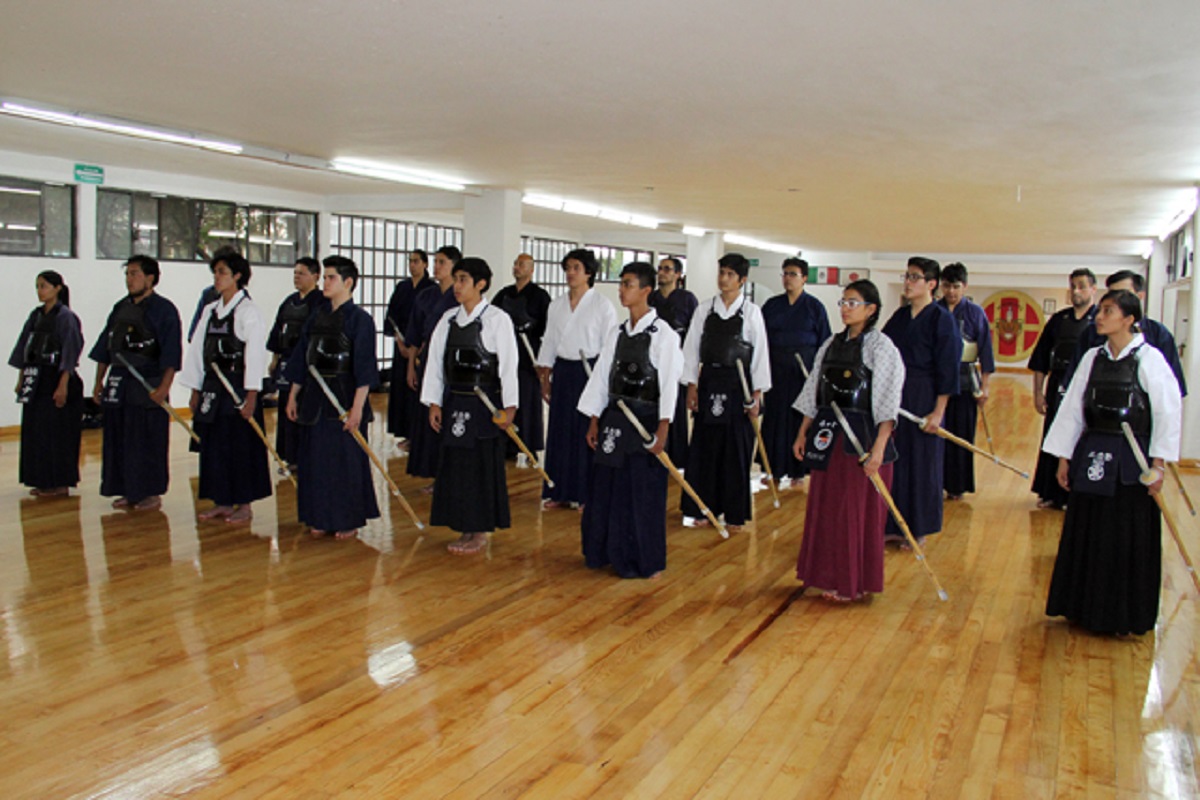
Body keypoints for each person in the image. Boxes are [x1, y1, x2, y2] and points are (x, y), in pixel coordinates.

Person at [1043, 290, 1181, 635]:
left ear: (1129, 319)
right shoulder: (1091, 357)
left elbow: (1167, 413)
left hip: (1132, 457)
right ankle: (1079, 606)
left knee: (1122, 533)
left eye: (1108, 311)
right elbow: (1073, 408)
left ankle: (1120, 614)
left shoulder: (1150, 359)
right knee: (1087, 528)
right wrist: (1064, 457)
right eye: (1100, 310)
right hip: (1092, 452)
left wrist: (1159, 465)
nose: (1099, 317)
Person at [792, 280, 904, 602]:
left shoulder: (882, 348)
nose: (844, 308)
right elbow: (814, 390)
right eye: (843, 302)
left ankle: (850, 582)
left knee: (851, 512)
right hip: (828, 433)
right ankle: (823, 574)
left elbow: (887, 402)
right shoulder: (830, 344)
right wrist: (803, 432)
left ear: (871, 309)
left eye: (852, 302)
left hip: (862, 437)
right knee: (826, 508)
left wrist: (879, 448)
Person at [579, 262, 683, 578]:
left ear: (646, 291)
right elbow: (601, 377)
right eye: (621, 284)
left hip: (645, 421)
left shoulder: (663, 334)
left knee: (641, 493)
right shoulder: (618, 332)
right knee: (606, 490)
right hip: (614, 418)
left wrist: (663, 428)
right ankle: (605, 551)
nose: (622, 290)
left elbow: (668, 383)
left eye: (628, 284)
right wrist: (594, 419)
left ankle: (643, 559)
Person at [421, 257, 520, 555]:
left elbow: (508, 367)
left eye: (463, 279)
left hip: (484, 404)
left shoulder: (497, 319)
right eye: (456, 279)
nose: (457, 286)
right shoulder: (448, 320)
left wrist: (510, 408)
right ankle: (462, 525)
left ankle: (479, 531)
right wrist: (434, 402)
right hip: (455, 402)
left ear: (481, 284)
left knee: (479, 468)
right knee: (456, 468)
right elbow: (436, 364)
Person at [285, 256, 380, 539]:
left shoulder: (360, 320)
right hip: (314, 398)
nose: (324, 283)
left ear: (348, 282)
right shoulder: (316, 315)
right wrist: (293, 396)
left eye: (330, 278)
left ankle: (347, 518)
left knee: (344, 463)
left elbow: (364, 369)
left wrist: (356, 410)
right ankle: (319, 515)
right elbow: (303, 357)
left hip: (344, 398)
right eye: (324, 277)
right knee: (315, 461)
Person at [178, 250, 271, 523]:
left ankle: (244, 504)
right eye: (215, 272)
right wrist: (194, 389)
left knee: (240, 446)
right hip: (212, 386)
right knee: (214, 445)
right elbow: (198, 350)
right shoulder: (210, 310)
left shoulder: (248, 312)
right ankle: (221, 500)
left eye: (222, 272)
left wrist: (252, 395)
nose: (217, 278)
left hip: (237, 385)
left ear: (238, 276)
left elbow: (255, 354)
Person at [680, 252, 771, 530]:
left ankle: (733, 514)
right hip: (709, 381)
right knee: (705, 448)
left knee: (735, 450)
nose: (724, 279)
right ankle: (702, 509)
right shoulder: (704, 310)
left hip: (738, 384)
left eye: (730, 274)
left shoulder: (752, 313)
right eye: (722, 273)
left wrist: (756, 395)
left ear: (742, 280)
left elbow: (760, 356)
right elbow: (691, 349)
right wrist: (691, 386)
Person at [89, 255, 183, 511]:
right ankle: (128, 490)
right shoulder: (120, 308)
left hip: (148, 383)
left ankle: (149, 492)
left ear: (150, 278)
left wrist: (164, 388)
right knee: (119, 438)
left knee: (147, 440)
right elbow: (106, 348)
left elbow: (171, 354)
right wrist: (99, 382)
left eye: (134, 274)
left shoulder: (164, 310)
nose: (129, 279)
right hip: (119, 383)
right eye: (127, 274)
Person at [881, 256, 961, 546]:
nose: (908, 282)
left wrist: (938, 412)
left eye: (915, 277)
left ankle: (918, 526)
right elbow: (884, 352)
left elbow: (948, 369)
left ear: (931, 284)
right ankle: (891, 522)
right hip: (896, 394)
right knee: (895, 459)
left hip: (925, 395)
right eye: (906, 276)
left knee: (922, 463)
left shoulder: (943, 320)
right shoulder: (900, 318)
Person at [536, 248, 618, 509]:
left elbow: (609, 346)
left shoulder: (602, 305)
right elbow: (549, 340)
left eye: (576, 268)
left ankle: (586, 493)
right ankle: (558, 490)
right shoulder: (557, 305)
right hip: (564, 370)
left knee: (585, 431)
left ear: (589, 273)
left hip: (590, 372)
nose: (570, 273)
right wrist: (545, 376)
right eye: (568, 268)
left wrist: (604, 382)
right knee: (560, 430)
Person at [9, 270, 84, 497]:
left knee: (57, 432)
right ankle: (40, 479)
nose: (40, 291)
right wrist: (22, 379)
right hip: (36, 378)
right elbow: (25, 347)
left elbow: (70, 353)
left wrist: (62, 384)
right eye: (38, 286)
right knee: (36, 431)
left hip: (57, 378)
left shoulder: (66, 317)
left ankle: (59, 482)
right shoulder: (36, 316)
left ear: (57, 288)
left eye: (44, 286)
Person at [1027, 268, 1098, 509]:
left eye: (1081, 286)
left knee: (1079, 436)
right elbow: (1041, 359)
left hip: (1086, 387)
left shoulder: (1099, 321)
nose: (1076, 291)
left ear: (1093, 289)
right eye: (1073, 286)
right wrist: (1038, 392)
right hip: (1058, 383)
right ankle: (1050, 491)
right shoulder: (1059, 320)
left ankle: (1073, 493)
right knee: (1053, 434)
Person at [761, 257, 831, 488]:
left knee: (799, 419)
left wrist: (819, 375)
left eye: (792, 274)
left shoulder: (814, 307)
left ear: (804, 278)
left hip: (803, 373)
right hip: (776, 371)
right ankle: (773, 469)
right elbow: (761, 340)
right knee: (774, 418)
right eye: (785, 274)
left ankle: (798, 471)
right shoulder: (772, 305)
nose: (787, 278)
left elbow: (824, 343)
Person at [1068, 269, 1187, 397]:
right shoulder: (1092, 334)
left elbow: (1172, 390)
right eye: (1112, 295)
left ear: (1140, 296)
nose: (1116, 301)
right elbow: (1074, 385)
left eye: (1123, 295)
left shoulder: (1158, 335)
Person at [404, 246, 461, 489]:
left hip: (452, 365)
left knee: (447, 417)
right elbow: (415, 333)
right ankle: (432, 471)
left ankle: (448, 474)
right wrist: (410, 365)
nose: (436, 267)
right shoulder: (426, 296)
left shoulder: (459, 297)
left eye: (442, 262)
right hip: (426, 361)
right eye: (435, 262)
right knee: (428, 417)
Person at [937, 262, 995, 500]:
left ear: (965, 286)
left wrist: (985, 386)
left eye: (956, 286)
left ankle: (957, 486)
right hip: (937, 382)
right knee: (936, 433)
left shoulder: (975, 313)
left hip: (965, 381)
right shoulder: (934, 310)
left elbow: (986, 351)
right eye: (947, 286)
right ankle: (934, 480)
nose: (951, 291)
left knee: (960, 434)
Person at [492, 253, 552, 464]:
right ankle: (506, 444)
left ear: (531, 269)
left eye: (522, 265)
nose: (517, 267)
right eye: (515, 264)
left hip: (528, 356)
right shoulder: (503, 294)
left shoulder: (540, 296)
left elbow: (548, 329)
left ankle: (529, 446)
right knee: (505, 398)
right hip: (505, 353)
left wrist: (543, 362)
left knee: (527, 401)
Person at [267, 257, 324, 468]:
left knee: (301, 410)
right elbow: (278, 330)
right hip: (286, 363)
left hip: (308, 368)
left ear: (315, 276)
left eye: (301, 273)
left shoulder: (320, 301)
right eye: (295, 273)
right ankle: (288, 456)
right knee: (286, 409)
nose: (297, 277)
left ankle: (305, 458)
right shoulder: (289, 301)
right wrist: (275, 359)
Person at [648, 256, 698, 469]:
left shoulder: (687, 299)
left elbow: (694, 334)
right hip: (652, 363)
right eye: (660, 269)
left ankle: (676, 458)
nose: (662, 273)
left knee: (674, 410)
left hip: (678, 362)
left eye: (667, 269)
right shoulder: (652, 298)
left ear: (678, 274)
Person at [384, 249, 435, 444]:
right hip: (402, 345)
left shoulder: (430, 289)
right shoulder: (402, 287)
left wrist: (418, 346)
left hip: (421, 347)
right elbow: (392, 317)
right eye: (410, 261)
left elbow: (428, 322)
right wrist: (400, 342)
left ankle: (417, 435)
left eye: (416, 261)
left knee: (416, 389)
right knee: (400, 388)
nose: (412, 265)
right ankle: (405, 433)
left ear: (425, 264)